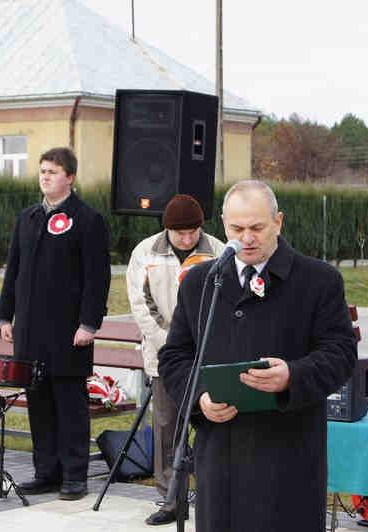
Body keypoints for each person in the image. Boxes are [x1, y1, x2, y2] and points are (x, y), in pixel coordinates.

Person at [158, 180, 357, 532]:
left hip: (288, 456)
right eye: (237, 229)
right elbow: (174, 356)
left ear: (278, 222)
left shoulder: (319, 280)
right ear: (223, 225)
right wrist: (201, 396)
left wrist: (293, 375)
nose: (246, 237)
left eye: (257, 228)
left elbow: (340, 353)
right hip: (220, 457)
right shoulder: (201, 282)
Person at [0, 147, 111, 500]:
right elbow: (13, 269)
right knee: (39, 405)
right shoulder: (27, 218)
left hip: (68, 333)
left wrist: (89, 324)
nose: (45, 177)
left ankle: (75, 476)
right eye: (42, 171)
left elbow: (97, 277)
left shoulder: (88, 220)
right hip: (31, 330)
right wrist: (5, 315)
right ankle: (46, 472)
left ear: (70, 177)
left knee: (69, 406)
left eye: (53, 172)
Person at [126, 194, 225, 525]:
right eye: (180, 233)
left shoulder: (220, 251)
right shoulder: (145, 253)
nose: (187, 238)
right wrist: (174, 347)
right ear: (166, 229)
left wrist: (205, 346)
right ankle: (171, 501)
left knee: (214, 427)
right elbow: (142, 305)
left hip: (211, 356)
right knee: (168, 429)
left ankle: (216, 496)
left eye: (193, 232)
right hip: (165, 360)